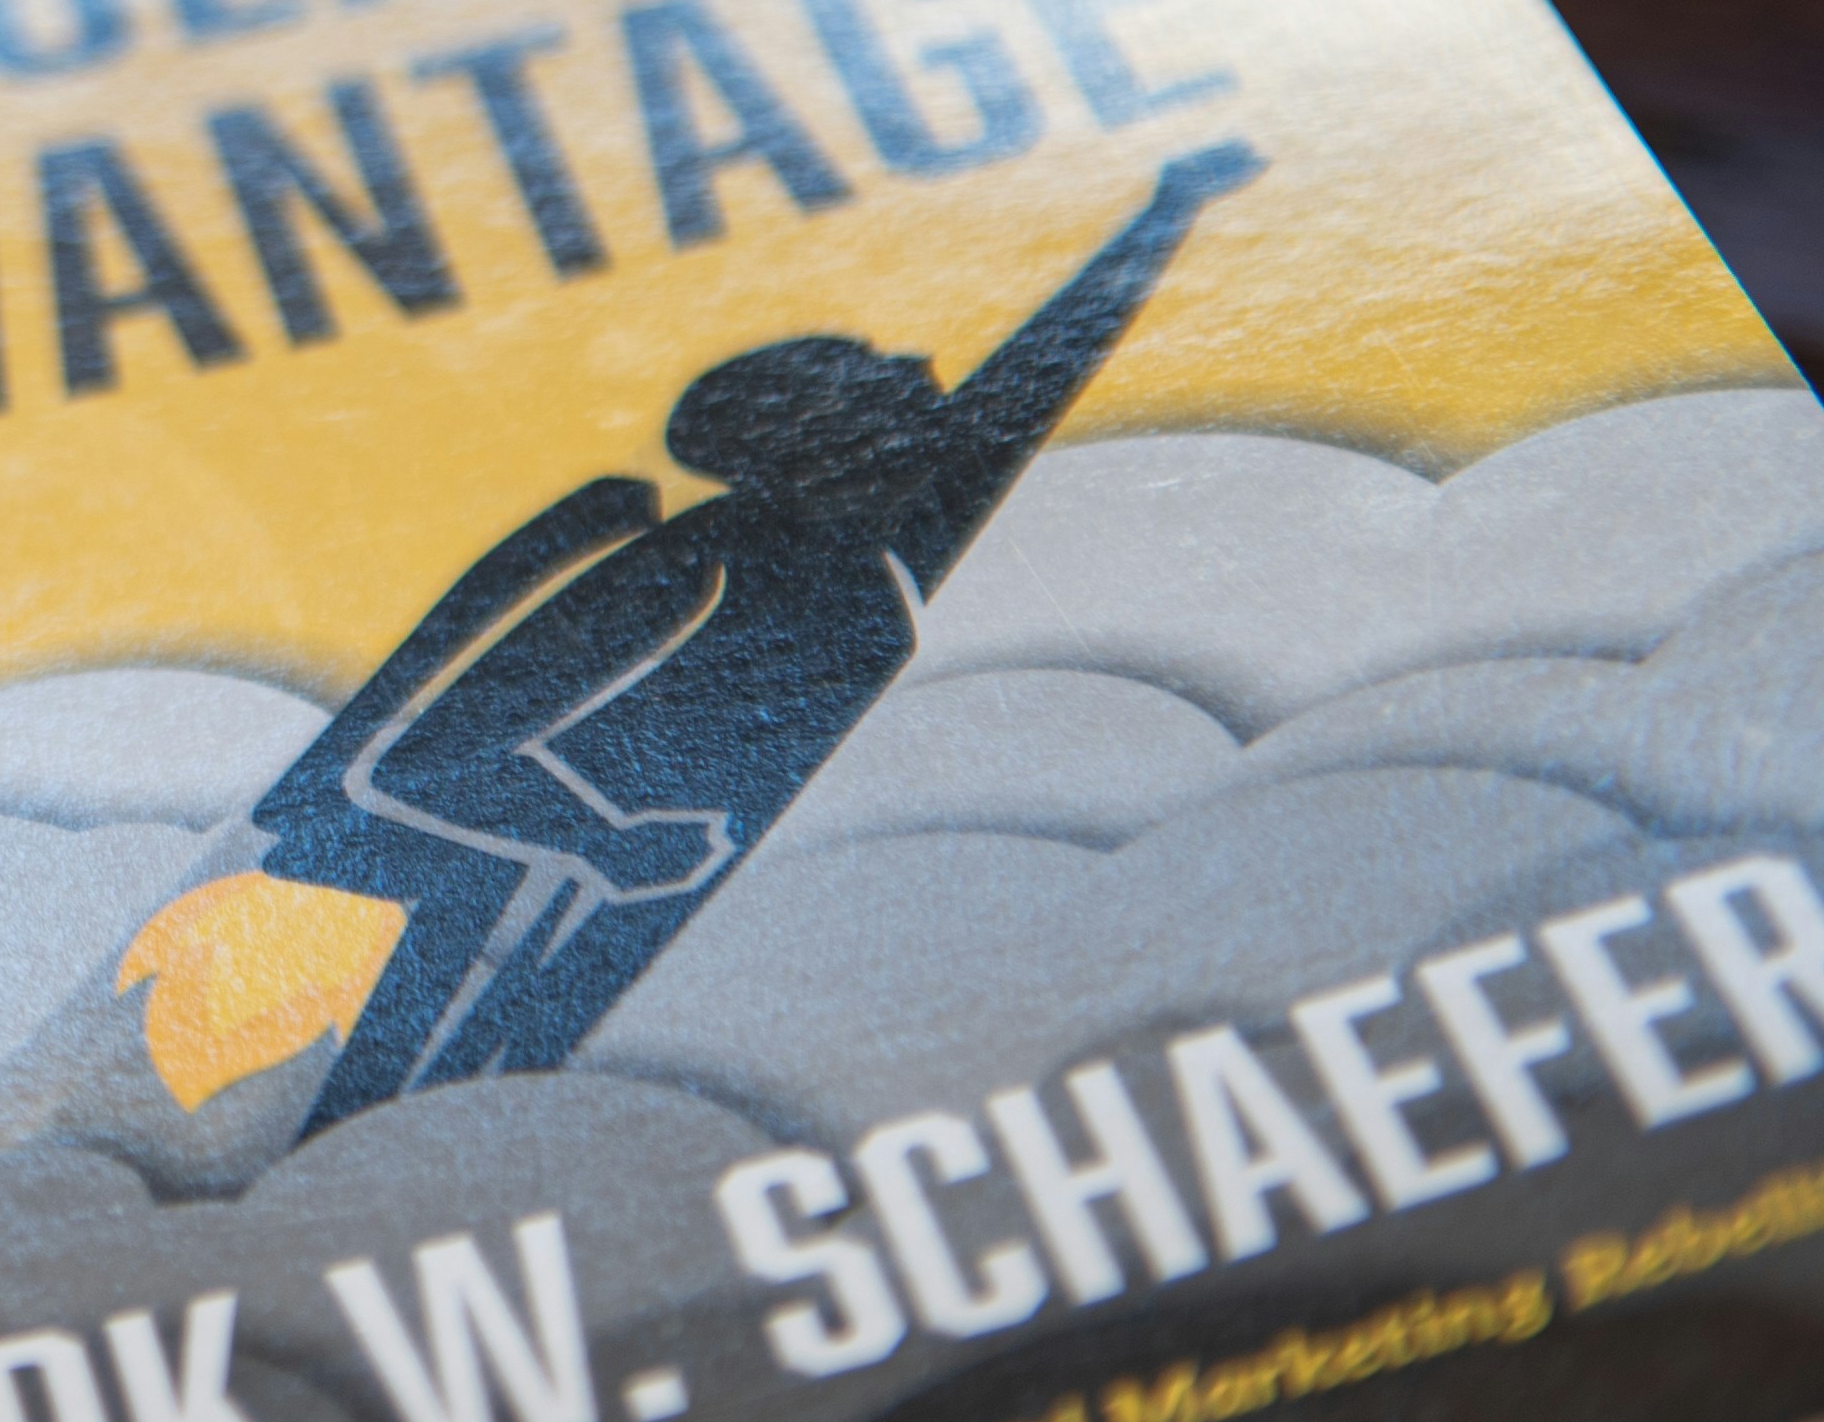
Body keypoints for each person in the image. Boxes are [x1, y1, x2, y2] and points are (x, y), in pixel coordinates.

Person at [187, 138, 1264, 1134]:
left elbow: (1025, 388)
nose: (923, 370)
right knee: (436, 1141)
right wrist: (608, 839)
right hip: (507, 931)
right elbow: (424, 763)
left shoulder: (871, 555)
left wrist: (1166, 212)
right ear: (812, 440)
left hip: (684, 930)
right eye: (877, 371)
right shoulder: (692, 561)